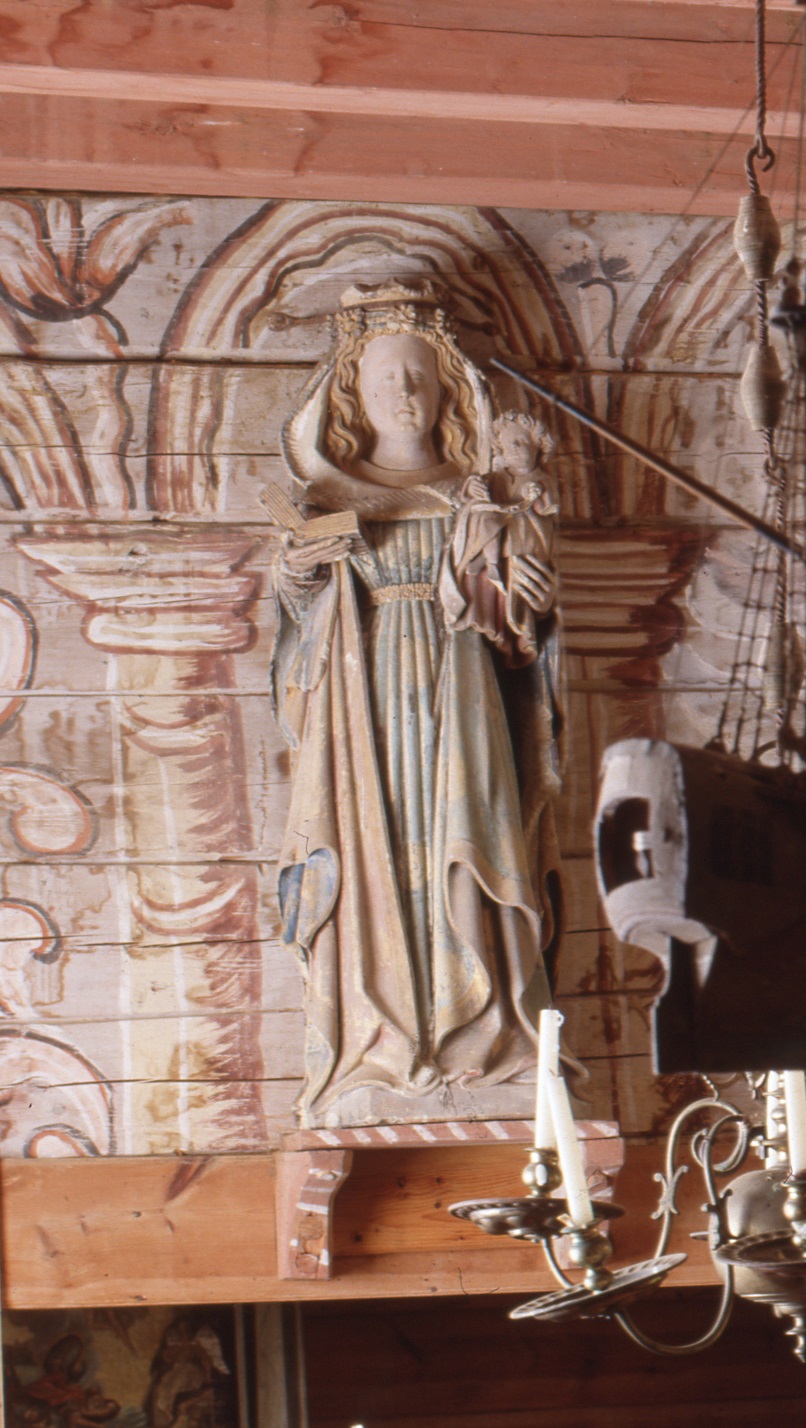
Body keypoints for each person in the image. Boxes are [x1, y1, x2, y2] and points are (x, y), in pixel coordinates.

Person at [269, 282, 561, 1119]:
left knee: (469, 838)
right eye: (385, 377)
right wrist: (297, 575)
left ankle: (486, 1033)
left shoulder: (476, 495)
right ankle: (379, 1040)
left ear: (447, 390)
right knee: (373, 852)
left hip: (462, 698)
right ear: (353, 395)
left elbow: (516, 632)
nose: (403, 392)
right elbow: (299, 631)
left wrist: (525, 599)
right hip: (361, 710)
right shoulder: (328, 497)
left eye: (419, 376)